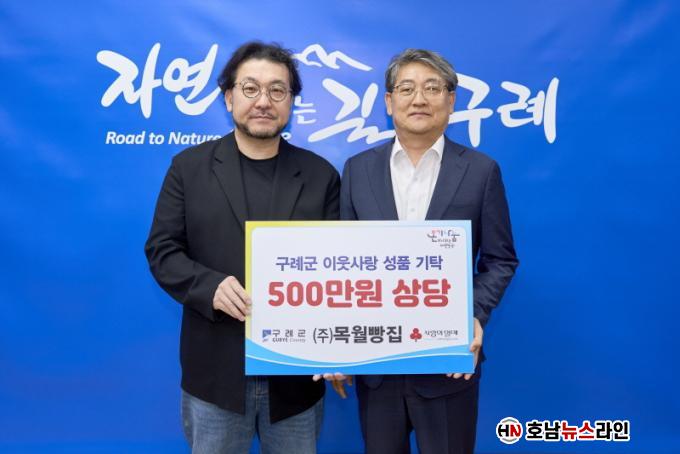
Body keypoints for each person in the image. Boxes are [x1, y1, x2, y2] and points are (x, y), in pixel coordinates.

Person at [145, 41, 340, 454]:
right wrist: (208, 286)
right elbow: (162, 250)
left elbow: (340, 270)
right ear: (229, 97)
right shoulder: (188, 168)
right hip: (215, 376)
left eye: (277, 90)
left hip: (296, 382)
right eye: (250, 88)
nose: (263, 101)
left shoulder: (321, 176)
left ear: (292, 101)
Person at [333, 49, 519, 454]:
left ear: (451, 101)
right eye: (406, 89)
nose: (419, 99)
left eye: (432, 88)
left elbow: (500, 259)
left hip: (448, 363)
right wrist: (336, 346)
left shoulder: (481, 171)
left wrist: (472, 316)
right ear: (389, 101)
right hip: (377, 365)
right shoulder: (357, 170)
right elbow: (344, 264)